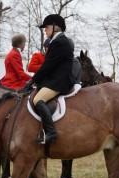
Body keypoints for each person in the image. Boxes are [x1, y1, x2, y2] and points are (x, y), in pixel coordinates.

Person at [25, 14, 75, 144]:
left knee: (38, 99)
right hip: (55, 79)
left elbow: (48, 66)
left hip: (60, 81)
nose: (45, 30)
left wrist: (32, 80)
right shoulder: (58, 41)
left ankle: (51, 132)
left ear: (55, 27)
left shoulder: (59, 42)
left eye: (47, 27)